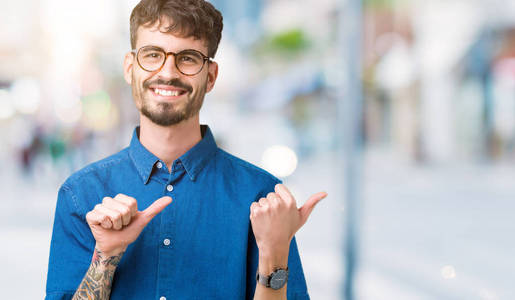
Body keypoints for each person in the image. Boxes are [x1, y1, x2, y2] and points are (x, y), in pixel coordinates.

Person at [45, 0, 327, 299]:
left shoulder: (262, 196)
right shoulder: (81, 194)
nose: (168, 72)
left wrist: (273, 253)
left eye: (188, 58)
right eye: (152, 55)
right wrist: (106, 255)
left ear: (211, 76)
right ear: (130, 68)